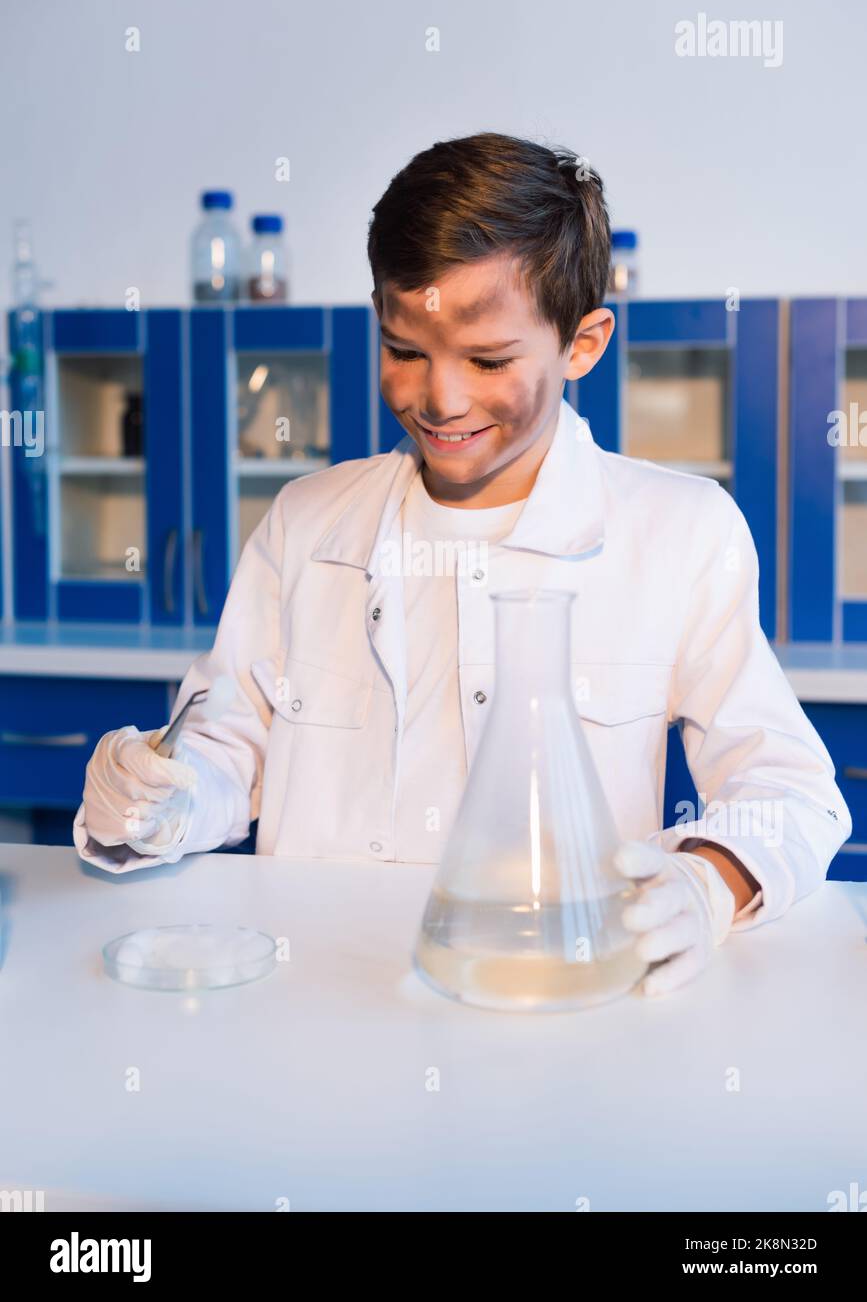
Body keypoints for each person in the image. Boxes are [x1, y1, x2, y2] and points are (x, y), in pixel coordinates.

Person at [73, 132, 852, 997]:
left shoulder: (679, 532)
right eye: (405, 350)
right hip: (317, 1005)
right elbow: (226, 743)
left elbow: (790, 793)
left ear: (583, 343)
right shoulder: (306, 521)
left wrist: (706, 881)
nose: (439, 398)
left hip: (544, 1000)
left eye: (488, 360)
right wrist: (163, 799)